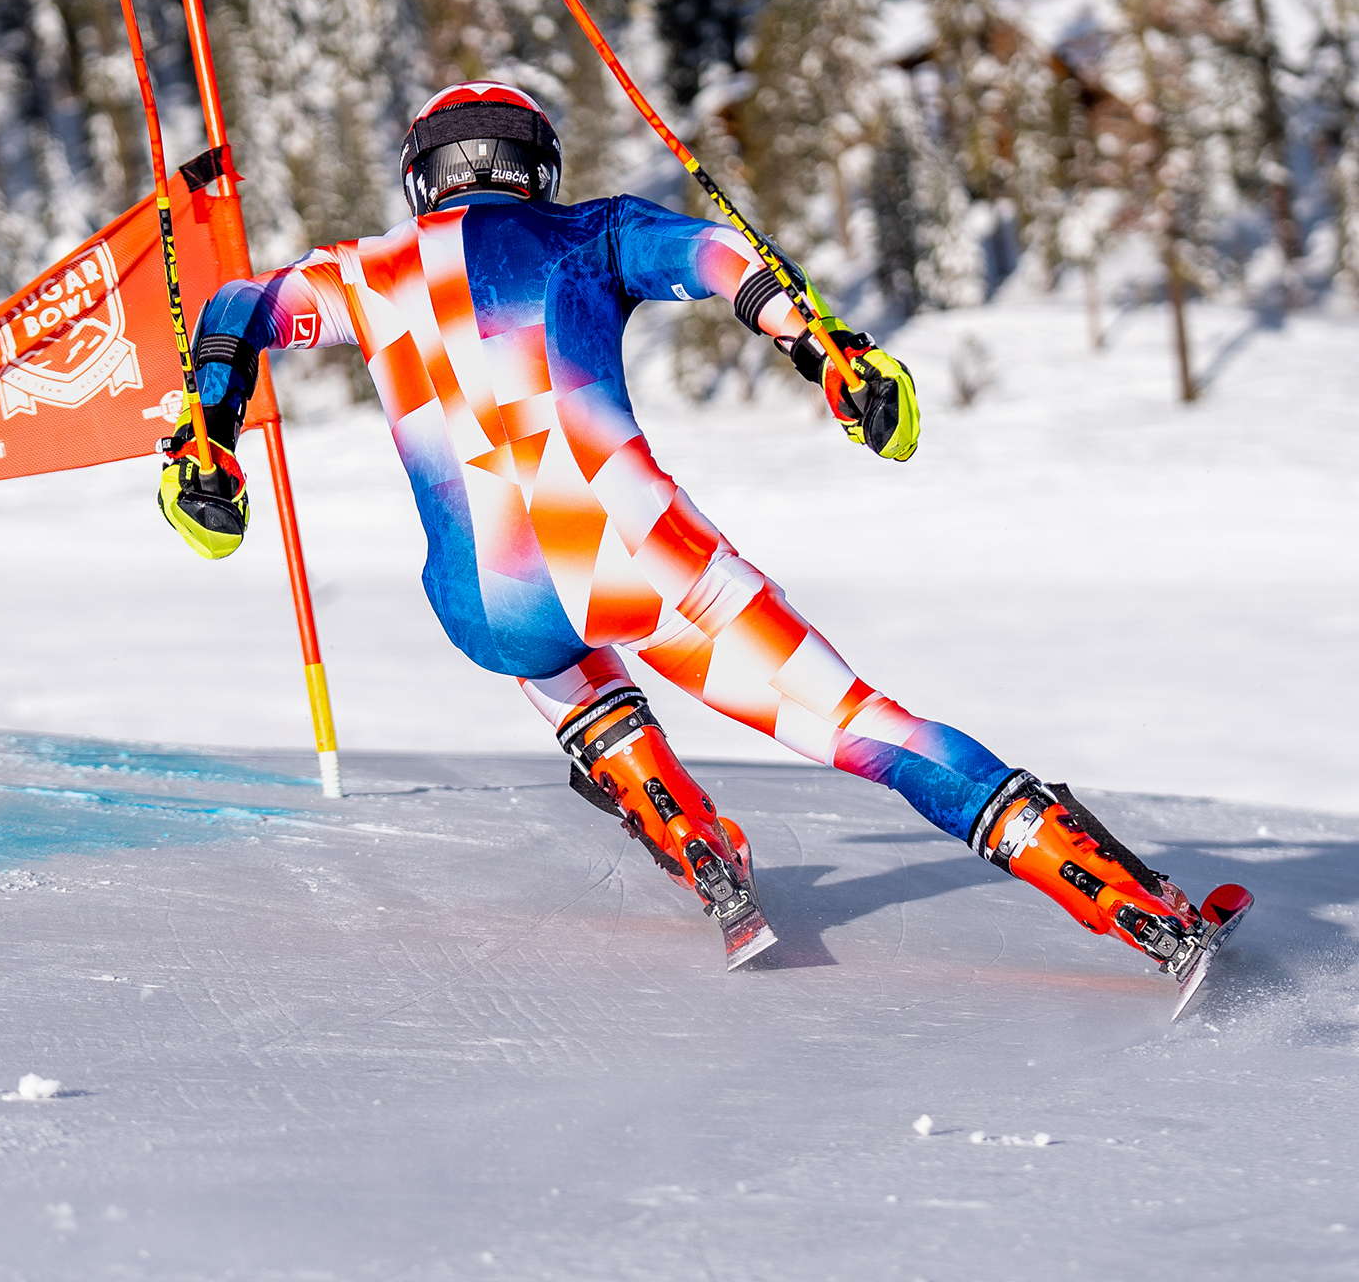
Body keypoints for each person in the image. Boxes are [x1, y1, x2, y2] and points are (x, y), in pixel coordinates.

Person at [159, 82, 1222, 974]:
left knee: (558, 652)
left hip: (482, 607)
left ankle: (686, 829)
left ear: (422, 176)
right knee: (864, 728)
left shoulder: (361, 272)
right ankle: (1127, 901)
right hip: (641, 565)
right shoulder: (593, 230)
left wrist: (205, 435)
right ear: (537, 168)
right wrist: (824, 349)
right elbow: (718, 256)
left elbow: (237, 305)